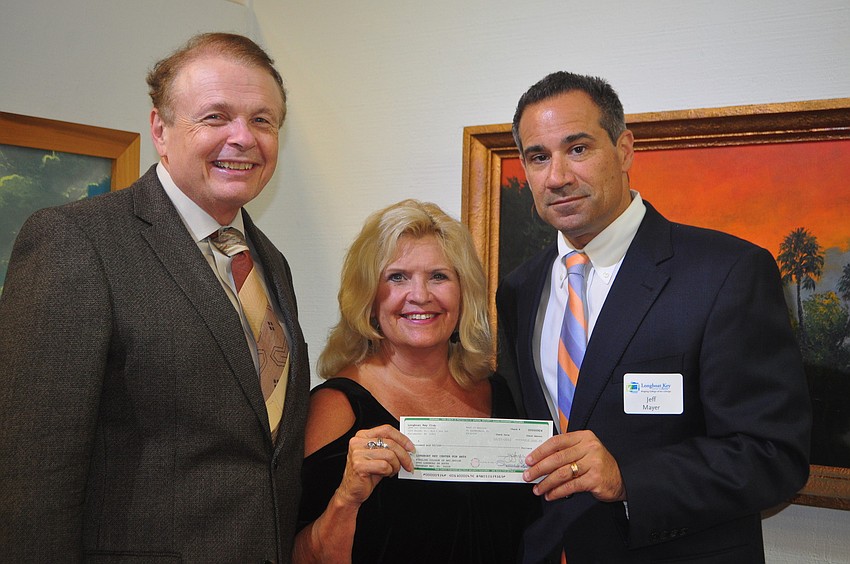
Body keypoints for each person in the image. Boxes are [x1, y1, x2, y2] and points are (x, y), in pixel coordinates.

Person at [0, 32, 309, 562]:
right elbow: (30, 475)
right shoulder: (78, 241)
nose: (243, 137)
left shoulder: (269, 263)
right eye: (215, 117)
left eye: (263, 120)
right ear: (160, 131)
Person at [496, 71, 812, 563]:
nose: (557, 177)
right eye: (539, 157)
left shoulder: (726, 272)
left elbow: (775, 457)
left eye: (577, 149)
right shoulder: (519, 288)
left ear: (624, 150)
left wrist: (627, 478)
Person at [293, 199, 538, 564]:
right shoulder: (336, 407)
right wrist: (347, 497)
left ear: (464, 292)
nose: (421, 295)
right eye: (397, 277)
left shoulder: (499, 393)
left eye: (439, 276)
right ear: (368, 297)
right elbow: (300, 556)